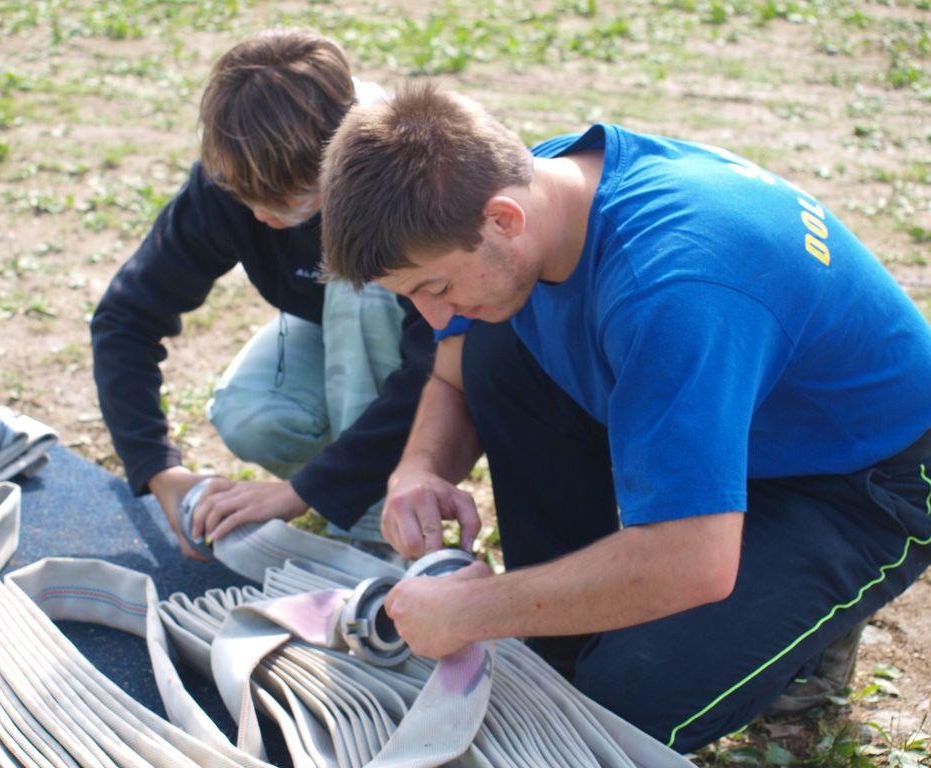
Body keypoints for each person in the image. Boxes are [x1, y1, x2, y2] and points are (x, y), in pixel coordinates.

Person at [318, 83, 931, 752]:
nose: (435, 314)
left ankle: (808, 632)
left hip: (864, 478)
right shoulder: (541, 185)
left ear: (504, 220)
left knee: (615, 705)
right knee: (494, 343)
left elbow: (692, 562)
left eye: (434, 287)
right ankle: (568, 642)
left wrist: (473, 610)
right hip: (741, 412)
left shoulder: (670, 289)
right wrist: (419, 469)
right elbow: (455, 366)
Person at [91, 30, 433, 560]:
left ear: (336, 157)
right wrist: (159, 470)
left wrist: (303, 493)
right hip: (338, 333)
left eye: (287, 201)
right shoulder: (235, 174)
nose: (261, 216)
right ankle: (361, 478)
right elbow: (125, 318)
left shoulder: (404, 172)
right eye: (244, 197)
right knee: (251, 417)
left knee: (362, 291)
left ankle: (375, 528)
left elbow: (439, 364)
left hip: (454, 371)